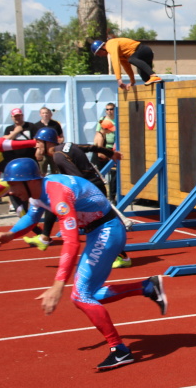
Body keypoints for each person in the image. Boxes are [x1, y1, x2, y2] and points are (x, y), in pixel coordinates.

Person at [0, 158, 167, 370]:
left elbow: (71, 242)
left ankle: (119, 350)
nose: (11, 191)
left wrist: (58, 285)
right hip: (98, 231)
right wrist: (9, 236)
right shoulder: (38, 191)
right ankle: (146, 287)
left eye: (14, 185)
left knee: (80, 295)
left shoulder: (58, 195)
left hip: (107, 231)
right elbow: (31, 217)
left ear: (30, 181)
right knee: (87, 294)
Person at [29, 127, 132, 269]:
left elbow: (78, 179)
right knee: (58, 204)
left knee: (96, 224)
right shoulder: (67, 146)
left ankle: (123, 257)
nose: (35, 145)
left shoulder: (59, 157)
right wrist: (111, 153)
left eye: (38, 142)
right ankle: (45, 237)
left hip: (89, 188)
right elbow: (91, 147)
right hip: (93, 185)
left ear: (47, 142)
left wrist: (83, 196)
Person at [91, 38, 162, 90]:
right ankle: (162, 85)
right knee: (145, 77)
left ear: (102, 47)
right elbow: (126, 66)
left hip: (143, 50)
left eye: (98, 53)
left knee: (131, 59)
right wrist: (132, 81)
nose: (100, 56)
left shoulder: (110, 44)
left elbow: (115, 61)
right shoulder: (120, 53)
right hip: (142, 55)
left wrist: (118, 78)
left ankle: (153, 75)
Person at [3, 108, 37, 211]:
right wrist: (16, 132)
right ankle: (16, 205)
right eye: (15, 116)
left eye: (19, 115)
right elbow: (4, 141)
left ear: (22, 116)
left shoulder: (31, 126)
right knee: (16, 184)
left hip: (30, 160)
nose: (17, 118)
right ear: (12, 117)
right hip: (15, 161)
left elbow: (36, 141)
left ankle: (34, 204)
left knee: (31, 183)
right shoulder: (9, 128)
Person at [31, 107, 64, 175]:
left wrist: (60, 142)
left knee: (55, 171)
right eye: (43, 113)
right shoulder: (36, 125)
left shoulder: (55, 124)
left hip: (53, 151)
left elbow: (61, 136)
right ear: (40, 114)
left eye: (46, 113)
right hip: (42, 152)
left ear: (50, 114)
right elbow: (34, 140)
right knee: (41, 172)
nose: (45, 115)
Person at [93, 115, 117, 203]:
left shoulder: (102, 135)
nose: (110, 132)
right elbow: (99, 154)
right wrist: (110, 158)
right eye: (109, 129)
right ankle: (101, 198)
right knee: (99, 180)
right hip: (98, 161)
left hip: (100, 160)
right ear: (105, 129)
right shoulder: (99, 137)